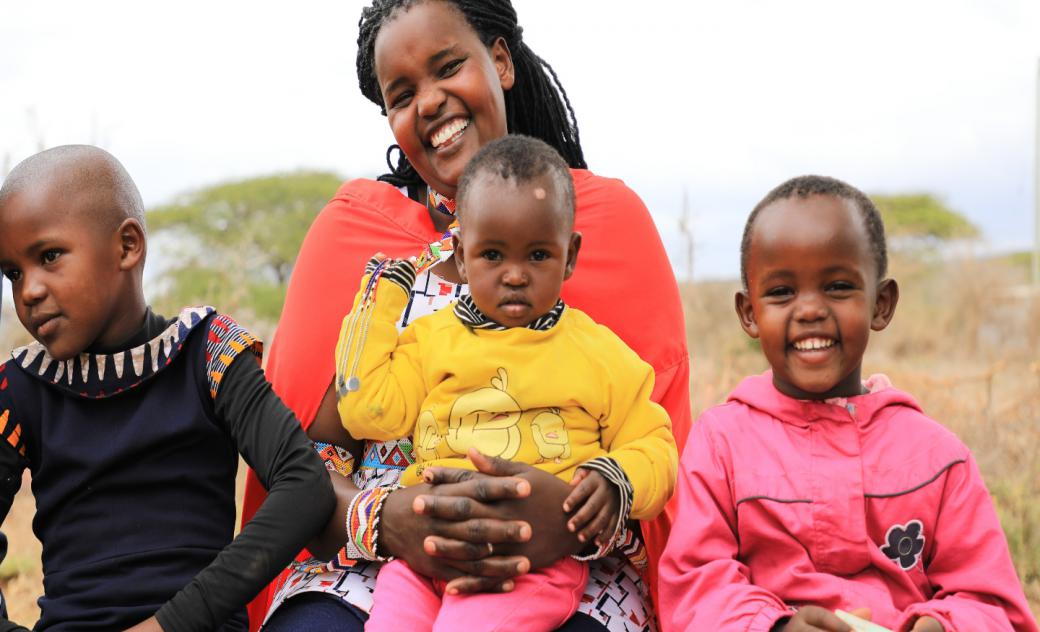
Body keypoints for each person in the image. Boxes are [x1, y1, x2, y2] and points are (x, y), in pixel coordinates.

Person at [243, 1, 691, 630]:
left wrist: (566, 519)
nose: (428, 103)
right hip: (378, 565)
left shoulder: (606, 224)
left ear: (500, 61)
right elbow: (309, 453)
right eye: (402, 95)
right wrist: (385, 517)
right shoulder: (355, 241)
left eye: (448, 66)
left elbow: (661, 460)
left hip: (576, 571)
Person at [657, 175, 1038, 632]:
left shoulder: (939, 458)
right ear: (748, 313)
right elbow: (694, 586)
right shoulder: (721, 445)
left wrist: (942, 625)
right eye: (781, 292)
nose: (810, 310)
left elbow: (993, 604)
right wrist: (774, 627)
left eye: (837, 286)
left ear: (881, 304)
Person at [335, 135, 677, 630]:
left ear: (570, 255)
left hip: (531, 563)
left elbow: (655, 443)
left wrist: (614, 478)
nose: (515, 275)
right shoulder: (429, 341)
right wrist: (379, 297)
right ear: (461, 251)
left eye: (538, 255)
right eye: (492, 255)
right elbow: (367, 409)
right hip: (428, 557)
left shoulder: (598, 352)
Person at [0, 145, 335, 631]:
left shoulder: (208, 353)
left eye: (49, 256)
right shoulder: (21, 389)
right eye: (13, 273)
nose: (28, 291)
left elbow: (305, 484)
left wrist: (169, 625)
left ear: (127, 247)